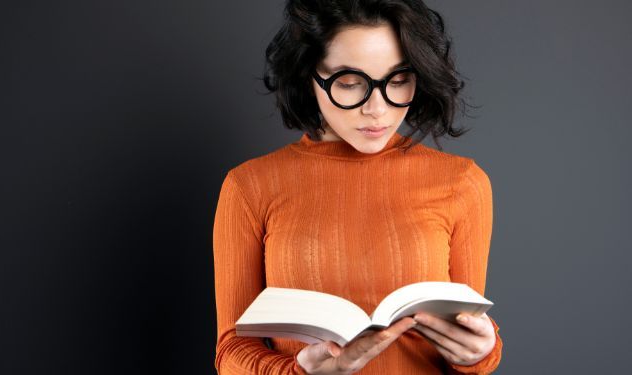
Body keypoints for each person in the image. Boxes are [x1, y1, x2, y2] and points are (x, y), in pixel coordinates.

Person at [212, 0, 503, 373]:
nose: (378, 109)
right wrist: (297, 372)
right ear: (308, 74)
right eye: (349, 83)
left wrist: (480, 353)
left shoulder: (462, 183)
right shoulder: (249, 187)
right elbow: (230, 352)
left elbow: (466, 329)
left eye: (398, 81)